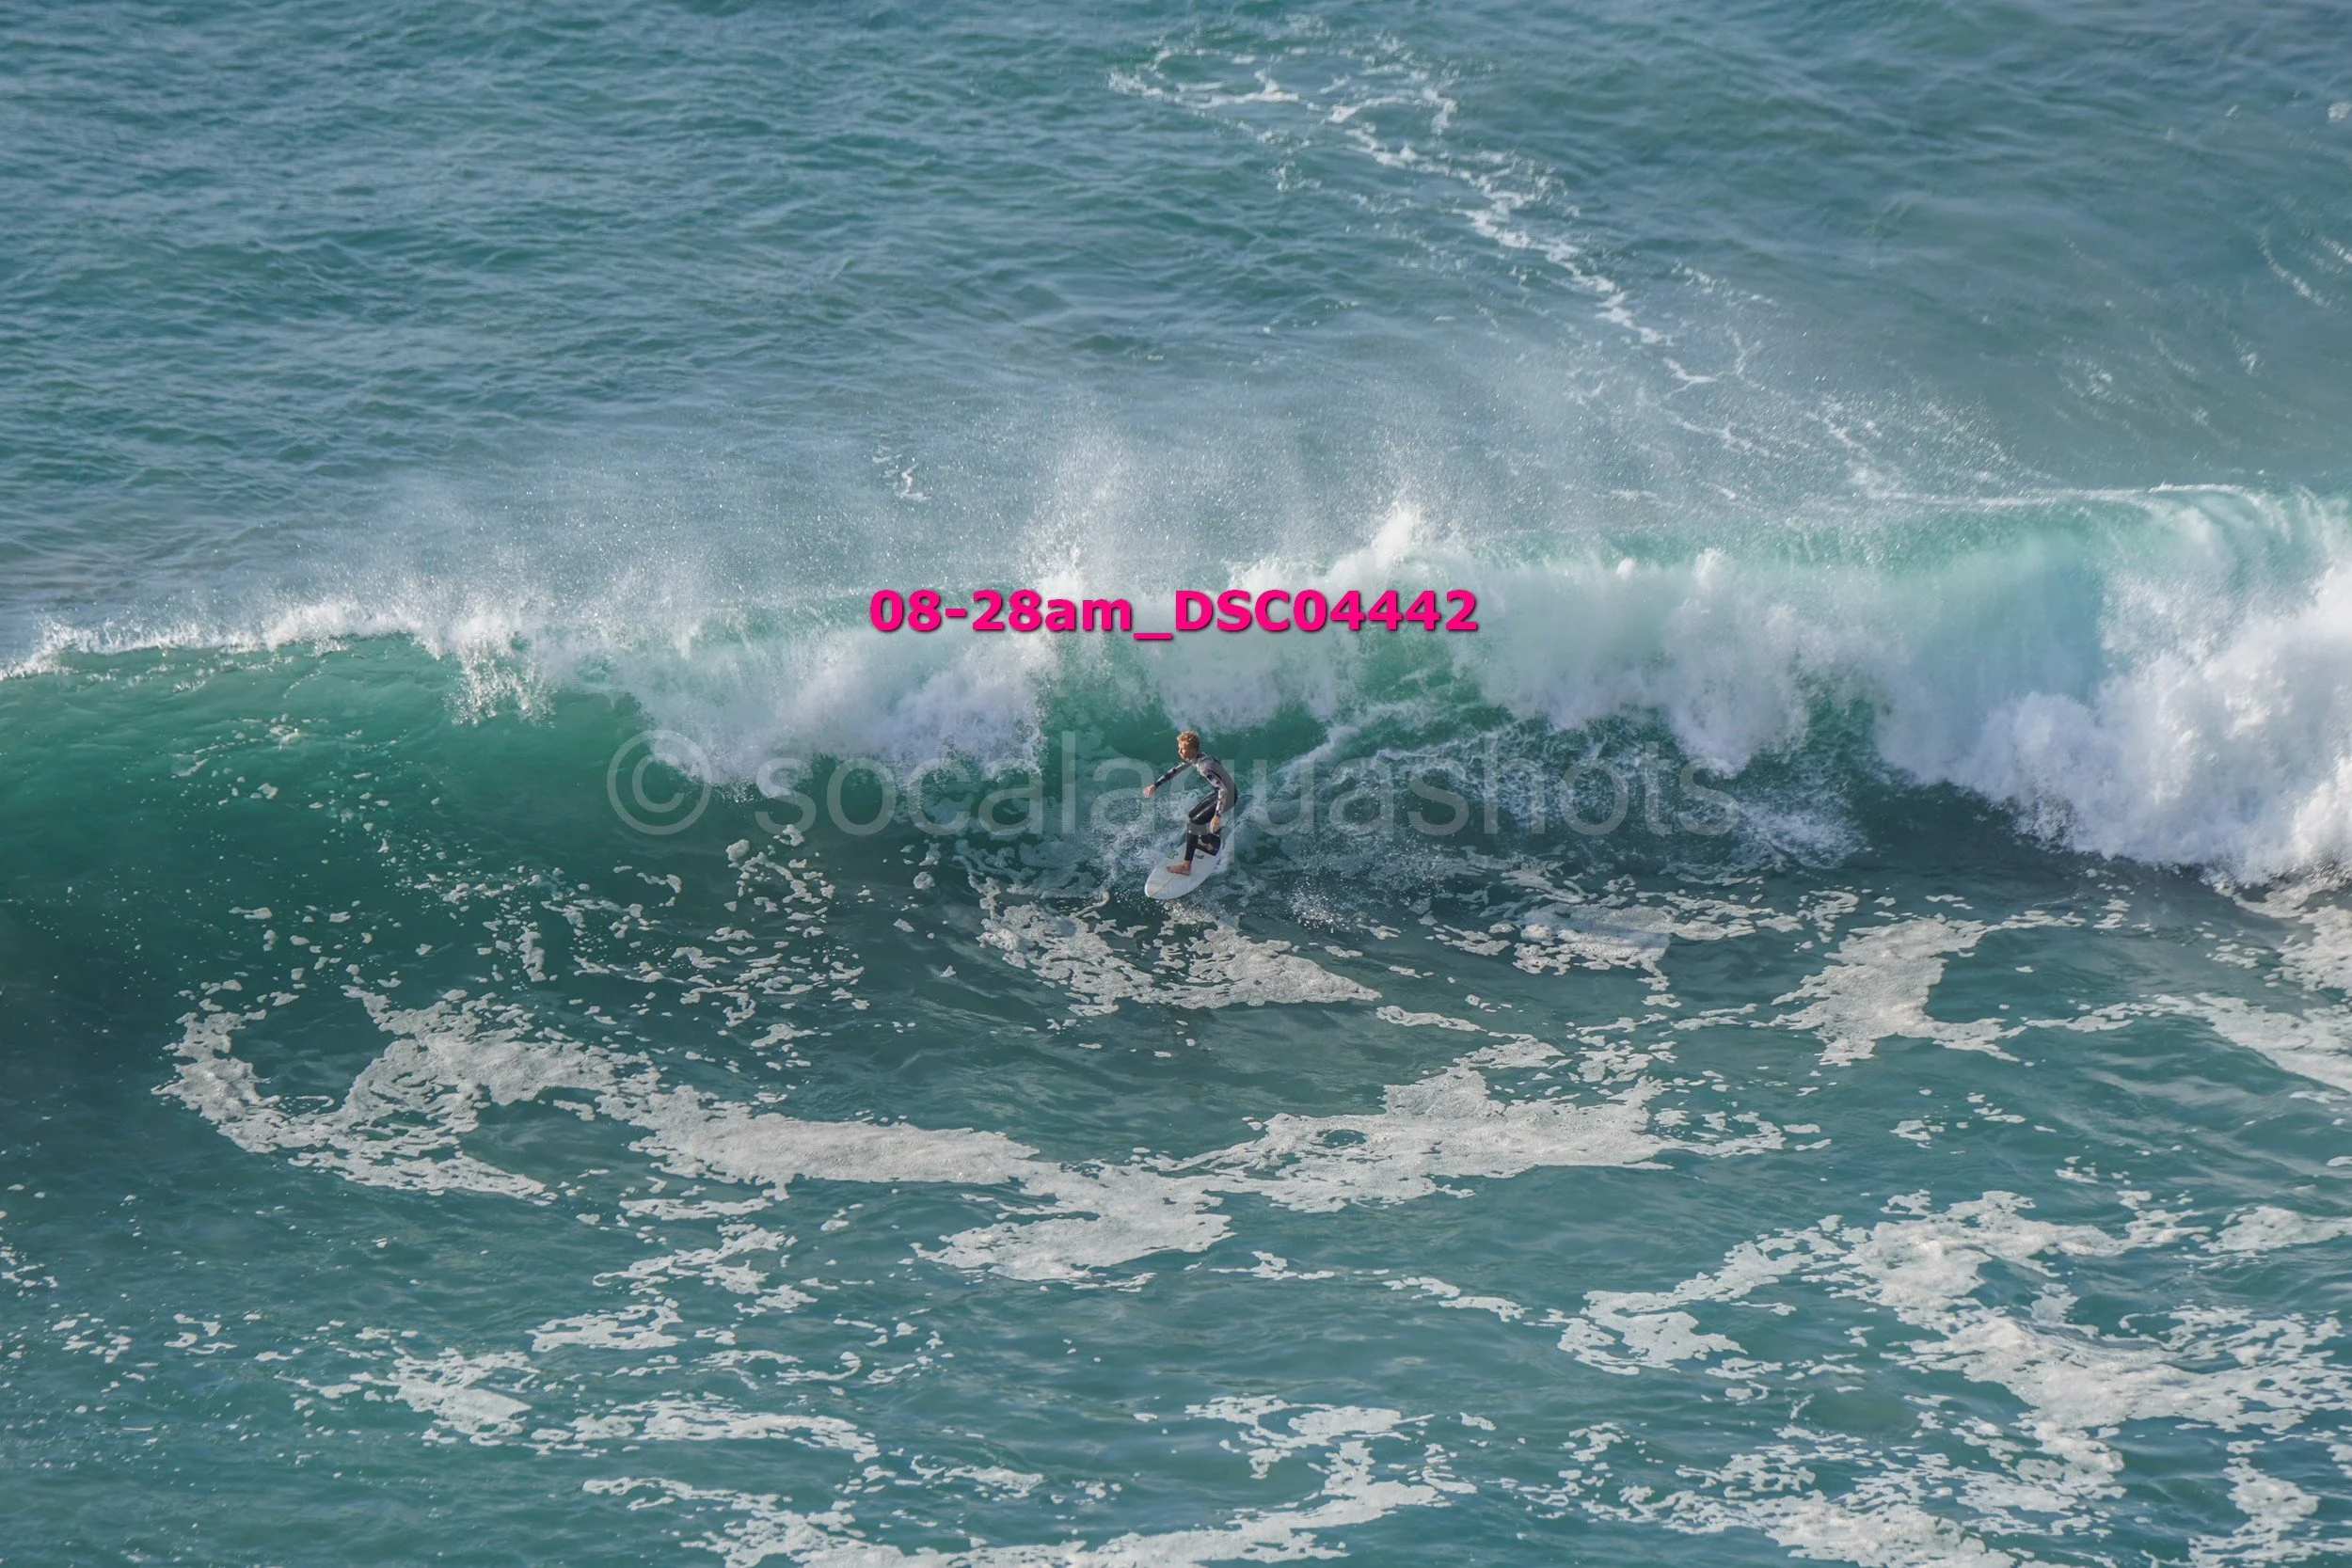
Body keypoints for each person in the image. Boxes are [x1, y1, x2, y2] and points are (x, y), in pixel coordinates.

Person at [1143, 730, 1238, 875]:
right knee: (1193, 816)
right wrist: (1155, 785)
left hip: (1227, 796)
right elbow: (1175, 771)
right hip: (1221, 791)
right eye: (1179, 747)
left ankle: (1186, 867)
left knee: (1194, 824)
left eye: (1183, 748)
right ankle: (1207, 844)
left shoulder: (1204, 767)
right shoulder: (1195, 757)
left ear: (1193, 750)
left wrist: (1217, 816)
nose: (1179, 751)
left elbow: (1223, 791)